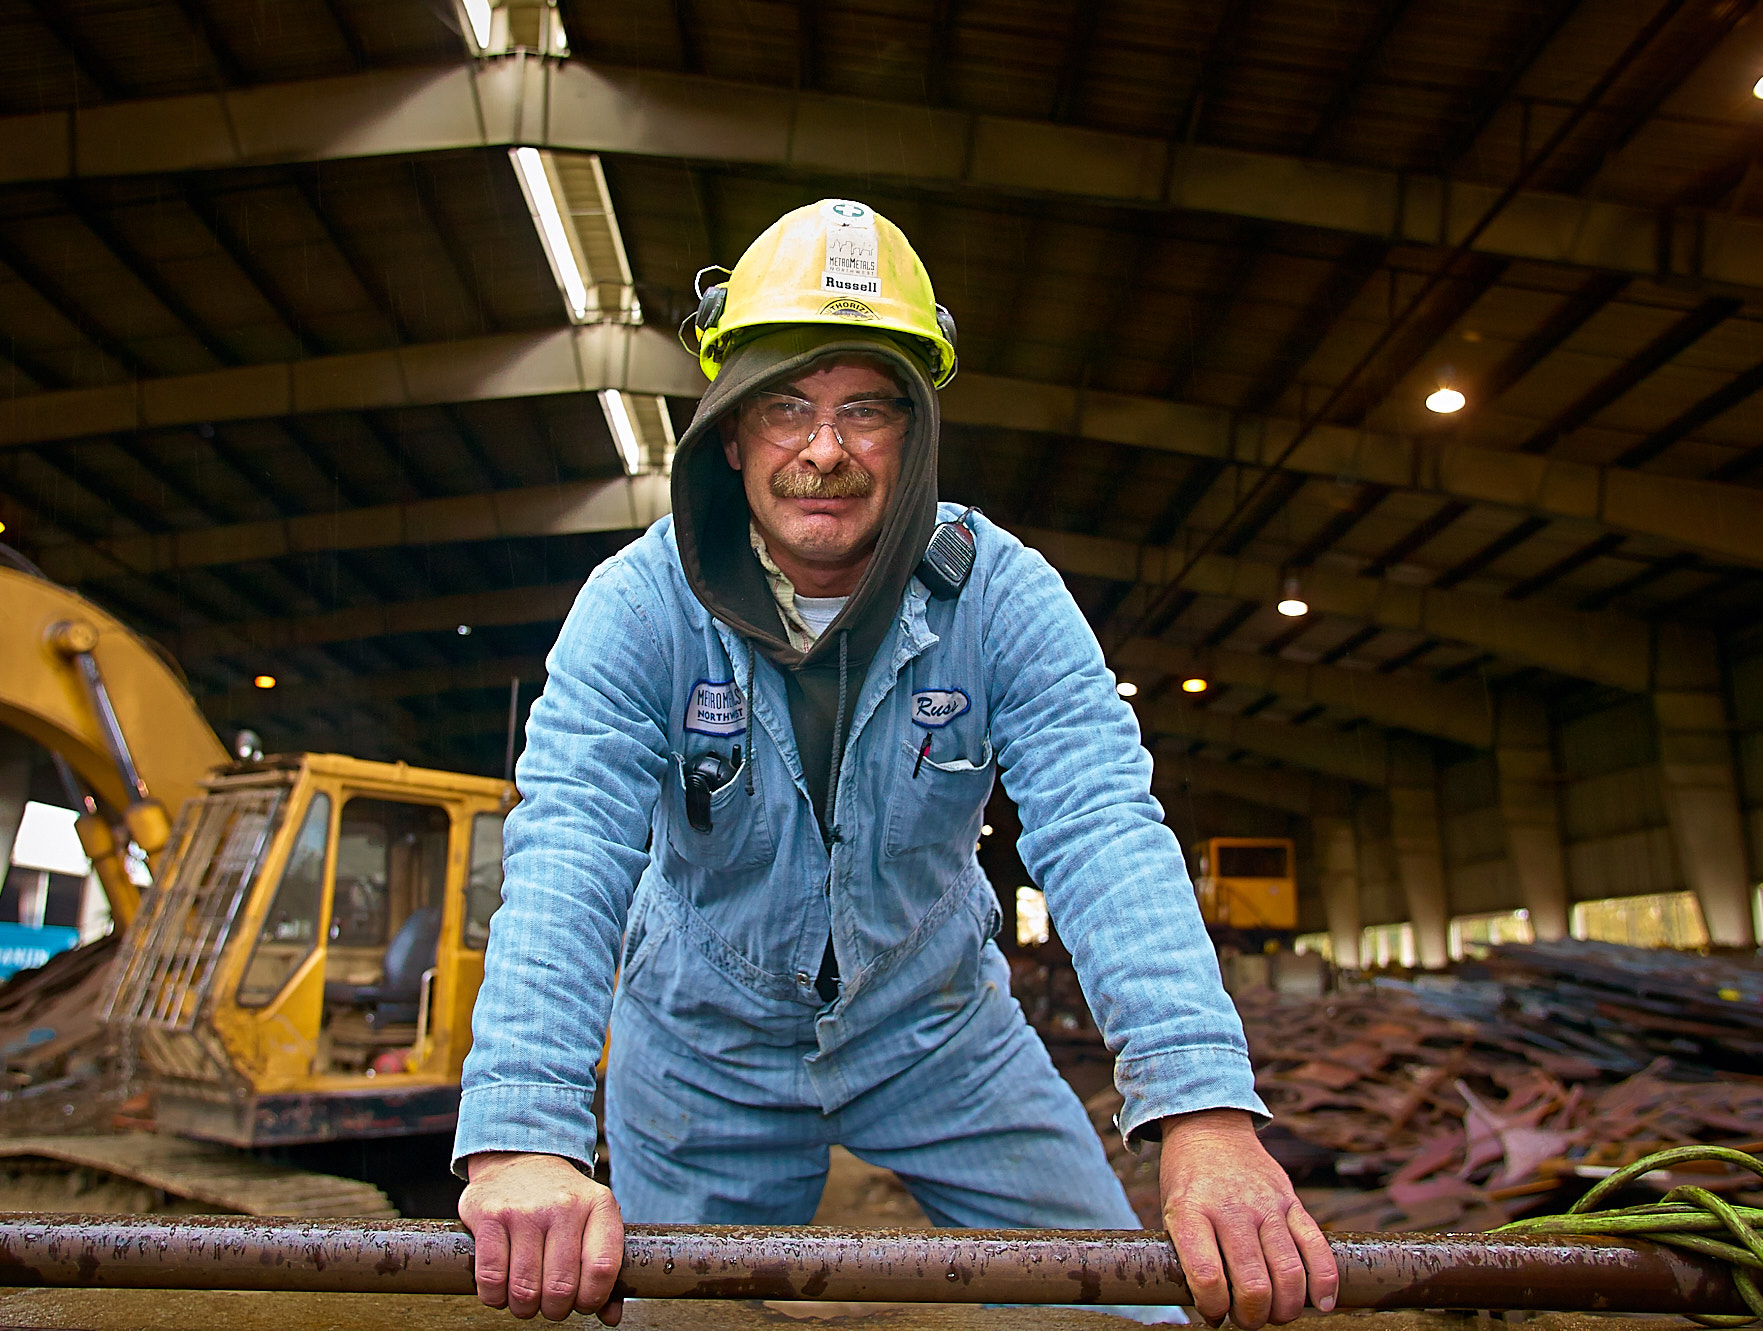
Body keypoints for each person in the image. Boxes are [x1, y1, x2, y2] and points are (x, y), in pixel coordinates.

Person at [453, 199, 1337, 1330]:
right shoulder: (639, 608)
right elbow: (569, 842)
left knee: (1125, 1309)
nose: (823, 450)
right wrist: (527, 1131)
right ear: (730, 431)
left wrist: (1203, 1111)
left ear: (914, 434)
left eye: (865, 410)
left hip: (938, 1026)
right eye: (785, 406)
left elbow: (1101, 823)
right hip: (698, 1046)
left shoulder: (1001, 595)